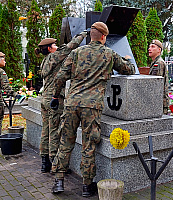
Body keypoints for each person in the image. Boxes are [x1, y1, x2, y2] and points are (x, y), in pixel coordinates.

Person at [49, 22, 135, 197]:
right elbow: (128, 69)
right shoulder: (109, 54)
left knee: (65, 142)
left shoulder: (76, 52)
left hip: (72, 104)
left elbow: (60, 77)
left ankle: (59, 181)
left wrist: (55, 97)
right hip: (92, 107)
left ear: (90, 36)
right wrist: (127, 60)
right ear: (104, 37)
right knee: (89, 145)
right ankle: (87, 186)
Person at [35, 31, 87, 173]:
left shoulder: (45, 60)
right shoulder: (54, 56)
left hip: (45, 98)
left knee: (45, 130)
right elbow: (70, 47)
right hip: (54, 100)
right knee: (54, 131)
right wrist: (83, 34)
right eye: (54, 45)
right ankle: (54, 163)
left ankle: (44, 161)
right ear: (50, 48)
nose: (57, 46)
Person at [148, 40, 169, 115]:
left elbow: (156, 85)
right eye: (149, 47)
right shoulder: (154, 62)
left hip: (159, 102)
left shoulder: (159, 63)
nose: (149, 49)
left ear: (159, 50)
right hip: (157, 101)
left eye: (153, 47)